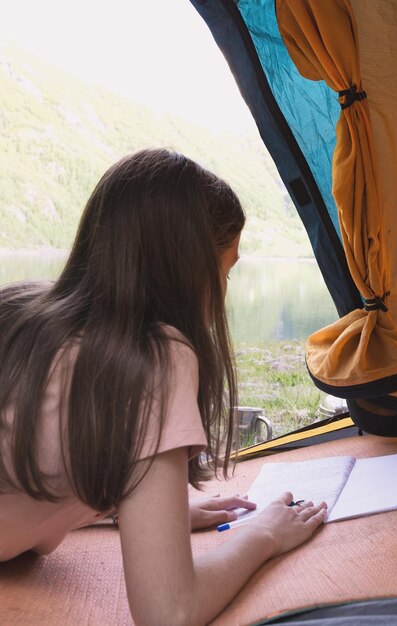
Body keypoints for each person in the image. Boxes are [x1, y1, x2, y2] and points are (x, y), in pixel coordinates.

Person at [0, 148, 327, 626]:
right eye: (226, 270)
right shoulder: (155, 356)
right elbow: (168, 611)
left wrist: (137, 512)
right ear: (187, 268)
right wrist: (262, 534)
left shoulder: (23, 308)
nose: (224, 292)